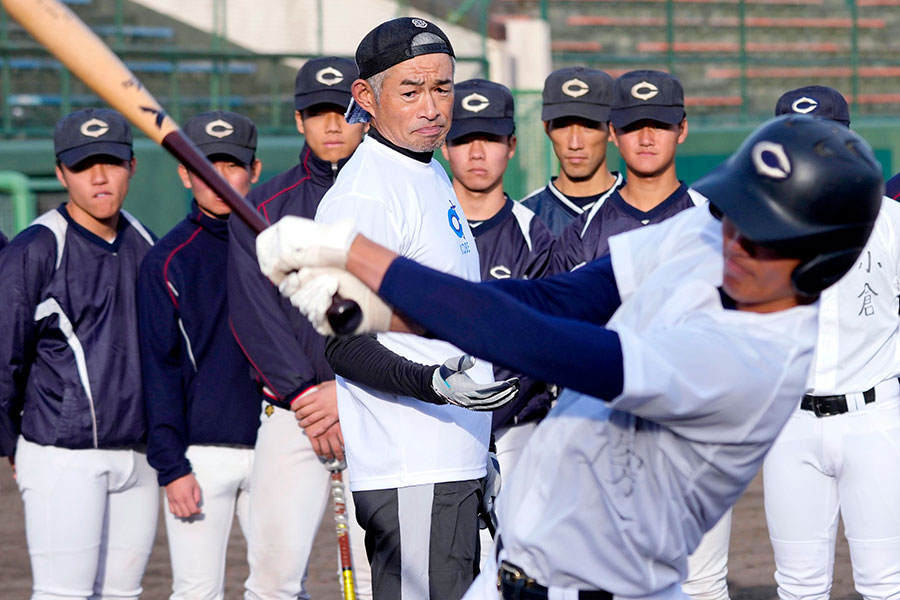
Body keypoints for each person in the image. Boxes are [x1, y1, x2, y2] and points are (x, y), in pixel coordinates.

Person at [257, 114, 883, 599]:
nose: (735, 240)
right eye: (735, 215)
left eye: (763, 235)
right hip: (513, 572)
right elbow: (558, 298)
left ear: (822, 259)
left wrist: (357, 254)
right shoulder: (710, 234)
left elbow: (547, 346)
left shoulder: (755, 363)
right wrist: (384, 314)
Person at [313, 17, 510, 600]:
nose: (432, 107)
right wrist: (434, 384)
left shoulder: (427, 171)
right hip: (412, 468)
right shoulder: (365, 192)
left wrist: (479, 440)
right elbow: (343, 342)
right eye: (411, 89)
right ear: (366, 97)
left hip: (454, 460)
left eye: (443, 88)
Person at [226, 56, 372, 600]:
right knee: (272, 578)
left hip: (371, 406)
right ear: (298, 120)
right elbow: (252, 313)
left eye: (343, 111)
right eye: (317, 112)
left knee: (377, 575)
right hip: (293, 413)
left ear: (366, 112)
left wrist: (347, 388)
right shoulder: (262, 207)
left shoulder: (395, 196)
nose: (332, 124)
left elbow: (397, 306)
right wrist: (308, 392)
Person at [0, 108, 158, 599]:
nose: (98, 176)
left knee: (124, 594)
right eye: (83, 164)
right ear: (61, 172)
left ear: (131, 166)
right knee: (62, 594)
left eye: (110, 161)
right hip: (61, 454)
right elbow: (4, 357)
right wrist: (12, 445)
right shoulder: (36, 249)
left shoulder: (145, 240)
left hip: (139, 455)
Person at [763, 86, 900, 599]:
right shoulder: (753, 227)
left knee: (886, 583)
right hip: (789, 423)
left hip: (875, 416)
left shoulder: (890, 222)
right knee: (798, 585)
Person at [137, 110, 262, 600]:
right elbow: (158, 369)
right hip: (200, 457)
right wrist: (172, 466)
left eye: (231, 165)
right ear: (184, 172)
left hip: (276, 445)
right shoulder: (167, 259)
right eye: (205, 165)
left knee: (282, 587)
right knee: (196, 591)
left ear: (253, 171)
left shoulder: (278, 245)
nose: (219, 178)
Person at [551, 70, 704, 274]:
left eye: (658, 126)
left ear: (682, 129)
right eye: (633, 126)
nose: (646, 140)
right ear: (613, 133)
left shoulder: (709, 220)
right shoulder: (584, 231)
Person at [520, 66, 622, 236]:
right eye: (563, 125)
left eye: (589, 126)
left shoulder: (642, 212)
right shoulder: (523, 219)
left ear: (612, 130)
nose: (575, 144)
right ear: (547, 128)